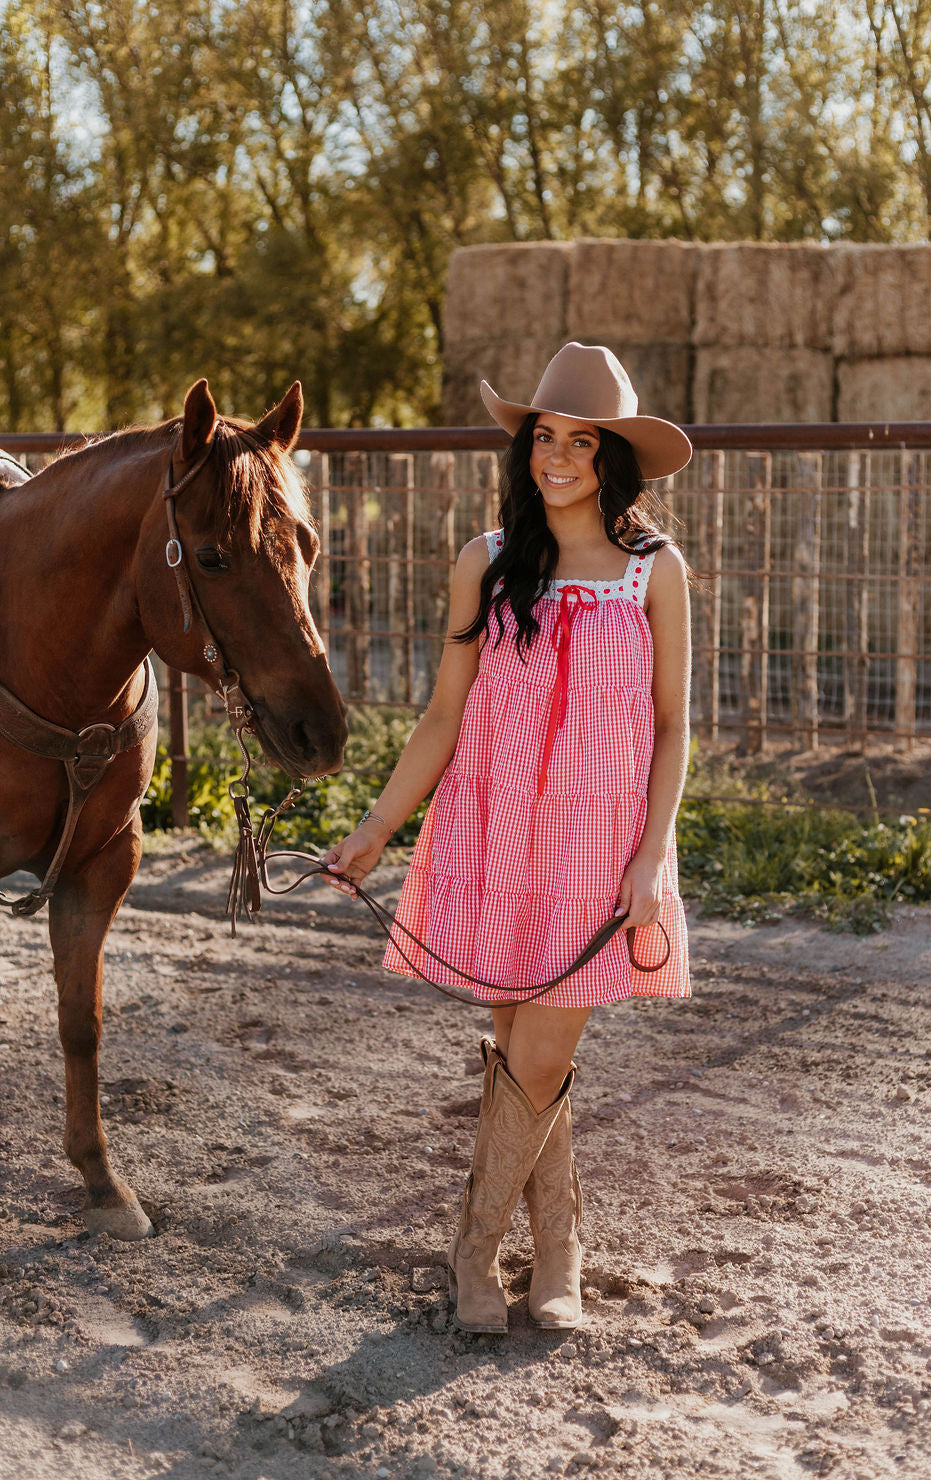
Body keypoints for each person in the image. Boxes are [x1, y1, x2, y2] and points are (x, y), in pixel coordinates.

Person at [323, 342, 692, 1335]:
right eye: (544, 436)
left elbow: (670, 726)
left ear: (612, 458)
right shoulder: (483, 563)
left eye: (581, 440)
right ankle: (559, 1247)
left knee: (537, 1058)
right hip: (493, 836)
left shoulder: (655, 572)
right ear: (524, 446)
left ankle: (477, 1255)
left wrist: (650, 858)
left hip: (595, 847)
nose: (558, 455)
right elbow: (443, 717)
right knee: (519, 1054)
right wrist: (372, 832)